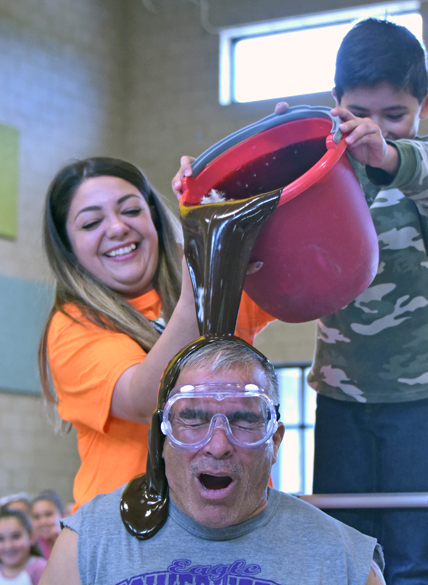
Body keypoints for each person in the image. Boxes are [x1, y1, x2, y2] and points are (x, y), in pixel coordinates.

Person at [173, 19, 428, 585]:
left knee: (419, 553)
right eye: (358, 113)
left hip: (422, 393)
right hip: (339, 393)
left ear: (424, 106)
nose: (373, 128)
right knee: (343, 543)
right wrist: (273, 150)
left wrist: (384, 146)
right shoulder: (323, 165)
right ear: (337, 102)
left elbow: (423, 168)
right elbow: (248, 192)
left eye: (394, 114)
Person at [13, 336, 409, 585]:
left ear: (275, 441)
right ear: (163, 439)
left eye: (244, 420)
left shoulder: (346, 564)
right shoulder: (90, 540)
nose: (218, 445)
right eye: (193, 419)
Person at [39, 157, 273, 511]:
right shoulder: (73, 324)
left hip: (234, 520)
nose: (117, 228)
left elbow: (316, 283)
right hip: (130, 536)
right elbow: (143, 399)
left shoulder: (218, 273)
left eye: (130, 210)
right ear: (68, 247)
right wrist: (201, 286)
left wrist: (232, 182)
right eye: (91, 222)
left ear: (153, 216)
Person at [30, 492, 63, 558]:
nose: (43, 522)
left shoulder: (73, 541)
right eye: (36, 517)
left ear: (62, 515)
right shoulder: (28, 548)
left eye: (48, 514)